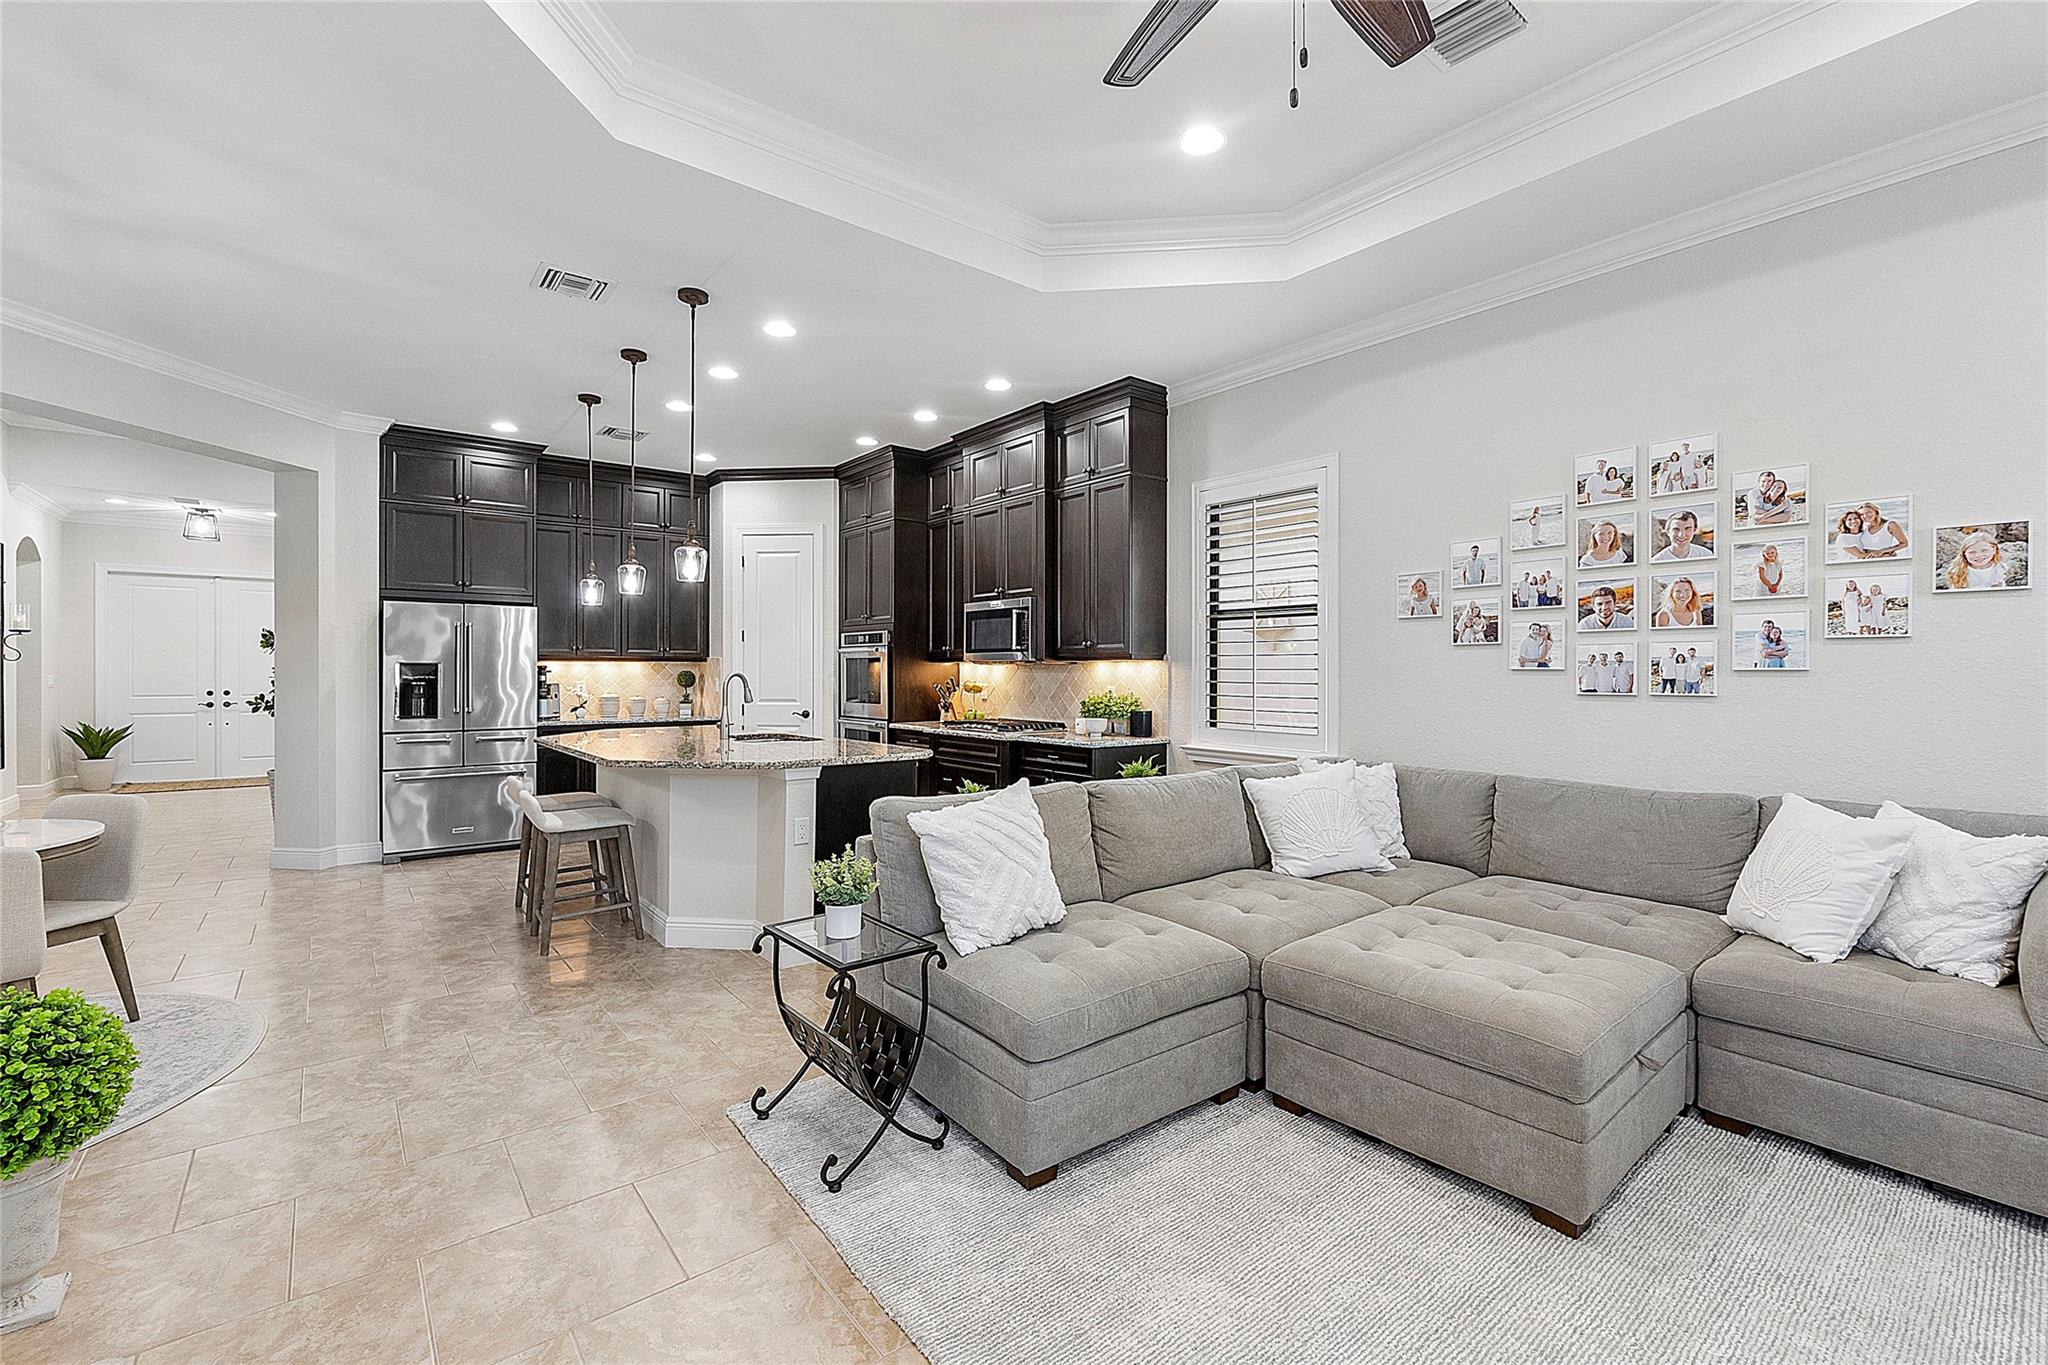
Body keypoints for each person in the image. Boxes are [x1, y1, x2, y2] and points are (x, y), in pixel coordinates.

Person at [1945, 529, 2009, 590]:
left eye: (1984, 550)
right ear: (1964, 554)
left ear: (1994, 549)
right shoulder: (1958, 571)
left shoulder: (2000, 568)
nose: (1978, 556)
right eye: (1972, 552)